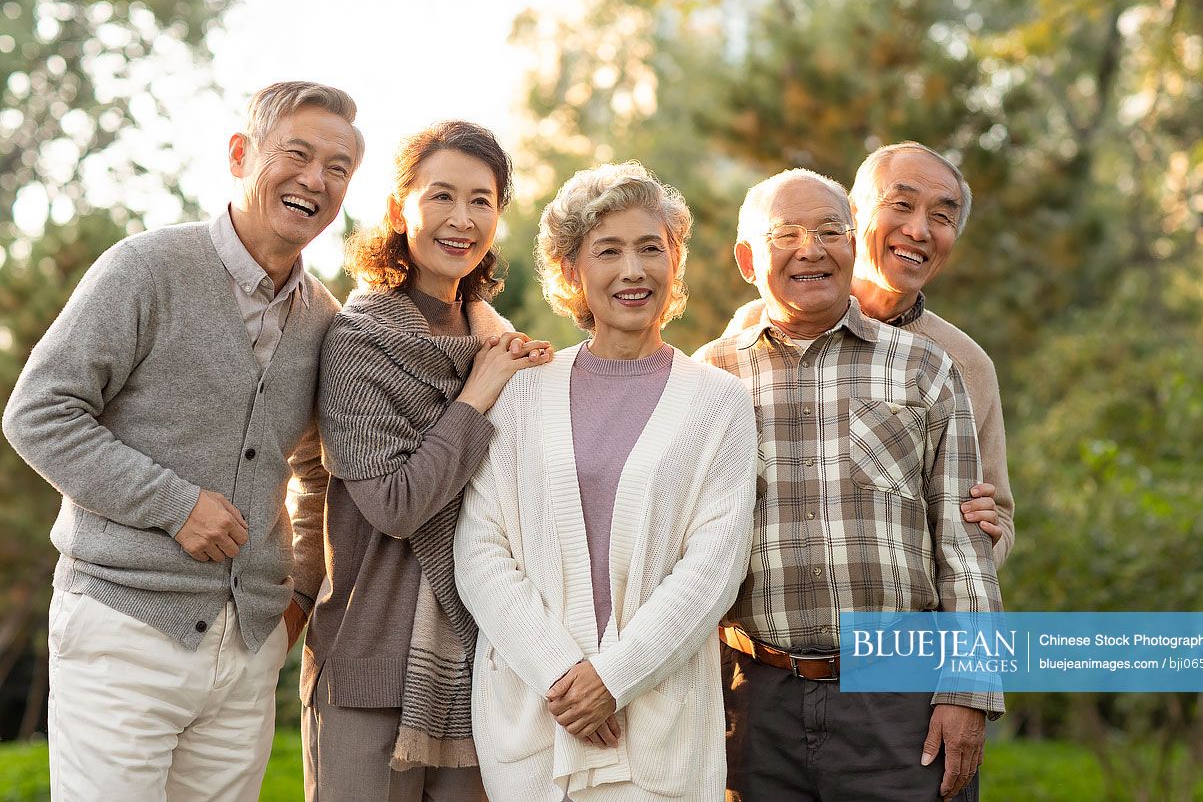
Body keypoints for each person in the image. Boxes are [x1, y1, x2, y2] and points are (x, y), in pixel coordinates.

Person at [2, 81, 362, 800]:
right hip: (123, 627)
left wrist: (291, 595)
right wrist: (174, 503)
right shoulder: (145, 269)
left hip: (247, 649)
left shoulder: (325, 318)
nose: (315, 180)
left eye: (338, 168)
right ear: (240, 153)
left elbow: (318, 473)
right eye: (296, 153)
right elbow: (38, 412)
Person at [695, 168, 1003, 801]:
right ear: (749, 259)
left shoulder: (927, 369)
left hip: (899, 702)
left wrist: (968, 694)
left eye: (830, 230)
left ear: (852, 245)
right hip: (755, 703)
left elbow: (965, 547)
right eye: (786, 234)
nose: (811, 248)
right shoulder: (710, 379)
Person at [454, 162, 757, 800]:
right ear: (572, 270)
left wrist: (612, 679)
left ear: (674, 263)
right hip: (537, 722)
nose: (633, 270)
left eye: (652, 248)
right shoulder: (520, 389)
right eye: (608, 251)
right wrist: (565, 676)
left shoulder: (719, 402)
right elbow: (480, 552)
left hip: (658, 734)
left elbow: (714, 569)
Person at [302, 121, 552, 802]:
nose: (461, 220)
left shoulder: (495, 343)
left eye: (482, 200)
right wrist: (476, 396)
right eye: (441, 196)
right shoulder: (359, 340)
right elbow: (394, 503)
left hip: (477, 665)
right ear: (398, 207)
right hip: (369, 663)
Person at [726, 142, 1015, 566]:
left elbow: (999, 516)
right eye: (901, 204)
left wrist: (982, 537)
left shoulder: (961, 362)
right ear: (852, 217)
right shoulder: (756, 330)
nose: (919, 230)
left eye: (942, 217)